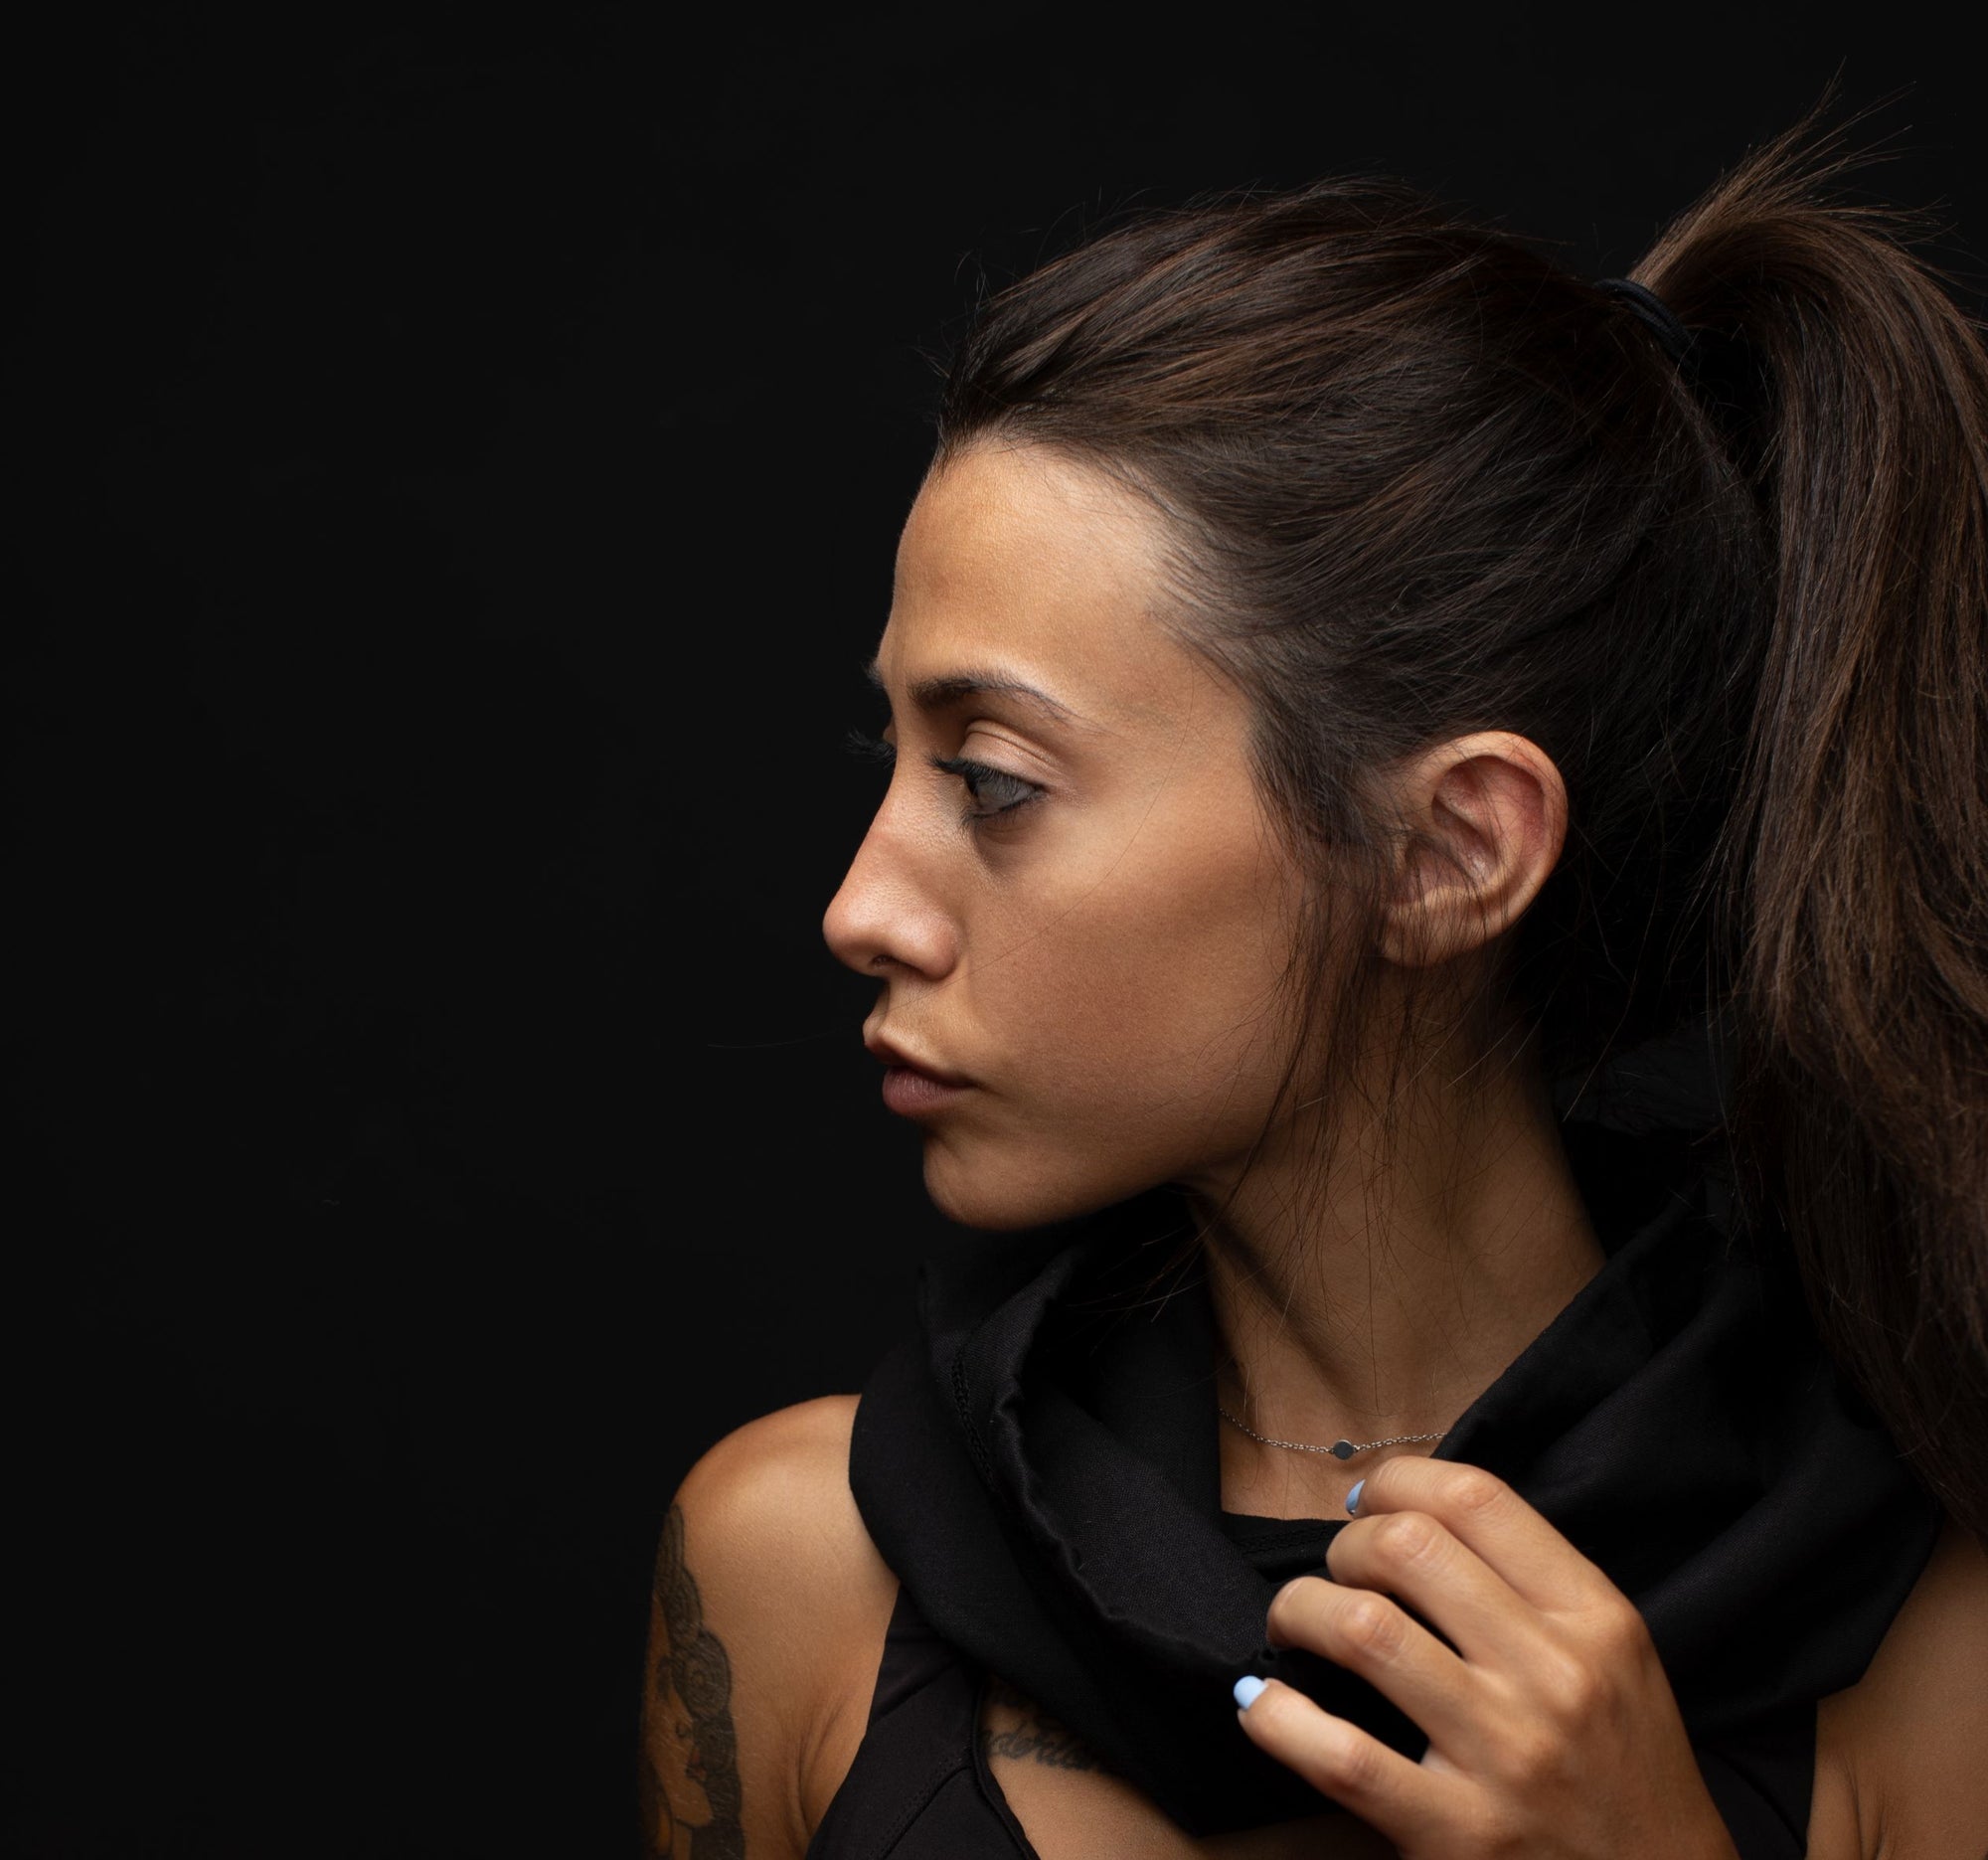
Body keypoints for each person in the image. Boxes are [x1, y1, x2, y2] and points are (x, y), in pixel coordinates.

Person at [643, 116, 1988, 1859]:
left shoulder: (1926, 1638)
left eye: (990, 780)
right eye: (884, 753)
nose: (858, 907)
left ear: (1448, 854)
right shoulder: (799, 1565)